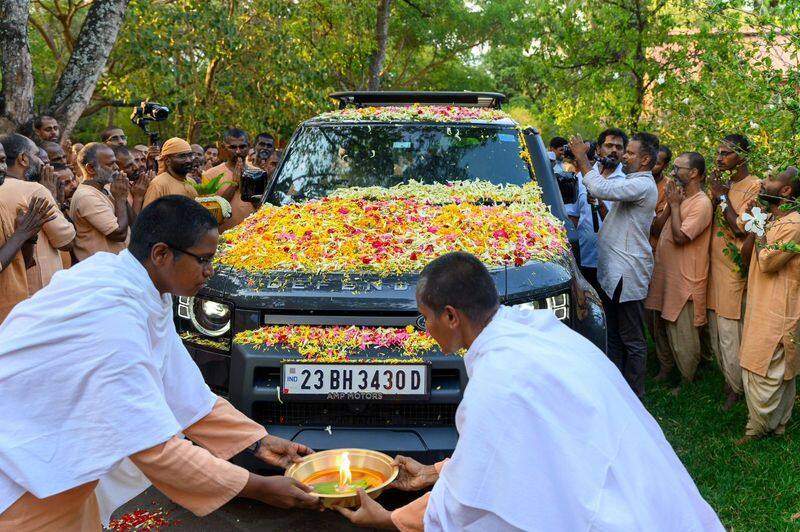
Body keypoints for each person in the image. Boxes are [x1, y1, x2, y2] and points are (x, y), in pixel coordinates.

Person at [336, 252, 723, 531]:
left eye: (427, 319)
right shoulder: (532, 327)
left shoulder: (497, 381)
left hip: (611, 513)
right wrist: (432, 472)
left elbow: (468, 501)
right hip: (643, 487)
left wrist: (388, 519)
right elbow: (505, 451)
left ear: (452, 315)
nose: (426, 329)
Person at [0, 196, 322, 528]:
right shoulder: (112, 317)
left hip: (55, 468)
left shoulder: (136, 283)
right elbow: (154, 449)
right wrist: (257, 487)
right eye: (204, 260)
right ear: (161, 254)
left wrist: (257, 442)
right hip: (21, 473)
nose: (210, 272)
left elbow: (181, 389)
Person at [568, 132, 658, 398]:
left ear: (644, 159)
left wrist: (582, 158)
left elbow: (601, 188)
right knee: (616, 334)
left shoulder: (643, 185)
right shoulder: (634, 181)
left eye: (629, 153)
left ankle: (634, 395)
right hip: (615, 271)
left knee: (632, 337)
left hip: (627, 273)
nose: (624, 157)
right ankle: (618, 389)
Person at [736, 167, 800, 443]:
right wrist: (755, 216)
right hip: (761, 302)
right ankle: (769, 425)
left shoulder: (794, 225)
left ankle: (762, 428)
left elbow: (768, 261)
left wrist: (759, 226)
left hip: (780, 307)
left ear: (786, 191)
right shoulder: (773, 218)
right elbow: (744, 241)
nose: (763, 181)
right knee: (756, 360)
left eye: (771, 179)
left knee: (771, 364)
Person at [646, 153, 713, 394]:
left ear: (694, 173)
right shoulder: (679, 196)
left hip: (685, 278)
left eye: (678, 168)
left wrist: (674, 206)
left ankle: (687, 379)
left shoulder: (702, 203)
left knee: (682, 330)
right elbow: (657, 227)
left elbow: (680, 237)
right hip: (664, 273)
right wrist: (672, 204)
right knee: (659, 323)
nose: (673, 172)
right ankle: (665, 369)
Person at [706, 134, 761, 410]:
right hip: (713, 268)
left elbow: (742, 228)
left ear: (742, 157)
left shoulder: (755, 187)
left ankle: (738, 389)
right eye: (718, 153)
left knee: (731, 331)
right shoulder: (721, 185)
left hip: (734, 270)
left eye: (725, 153)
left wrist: (723, 196)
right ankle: (729, 382)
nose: (719, 158)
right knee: (718, 329)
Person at [0, 134, 75, 296]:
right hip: (40, 292)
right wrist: (53, 198)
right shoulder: (35, 190)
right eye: (37, 155)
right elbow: (67, 241)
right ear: (23, 159)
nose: (42, 163)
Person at [564, 129, 627, 292]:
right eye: (609, 145)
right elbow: (573, 216)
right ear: (598, 149)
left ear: (624, 152)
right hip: (584, 257)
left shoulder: (627, 182)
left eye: (619, 147)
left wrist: (600, 203)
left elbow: (620, 224)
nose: (614, 150)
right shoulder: (581, 177)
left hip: (612, 262)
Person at [0, 143, 57, 322]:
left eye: (2, 161)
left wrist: (30, 237)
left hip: (15, 313)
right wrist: (22, 234)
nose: (1, 168)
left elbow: (20, 265)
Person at [69, 143, 135, 262]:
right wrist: (120, 199)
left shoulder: (109, 188)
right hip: (101, 271)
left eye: (115, 162)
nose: (116, 167)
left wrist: (123, 197)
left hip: (118, 267)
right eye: (110, 164)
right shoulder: (86, 196)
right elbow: (119, 234)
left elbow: (134, 223)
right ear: (90, 168)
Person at [202, 128, 255, 231]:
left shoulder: (258, 173)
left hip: (254, 237)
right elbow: (211, 215)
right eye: (233, 147)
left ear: (249, 146)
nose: (238, 151)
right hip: (224, 240)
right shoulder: (210, 175)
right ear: (223, 148)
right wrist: (234, 184)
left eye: (242, 146)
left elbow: (263, 206)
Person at [142, 138, 198, 207]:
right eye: (182, 156)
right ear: (167, 161)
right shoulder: (158, 185)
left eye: (190, 155)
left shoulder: (192, 182)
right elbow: (148, 216)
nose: (188, 160)